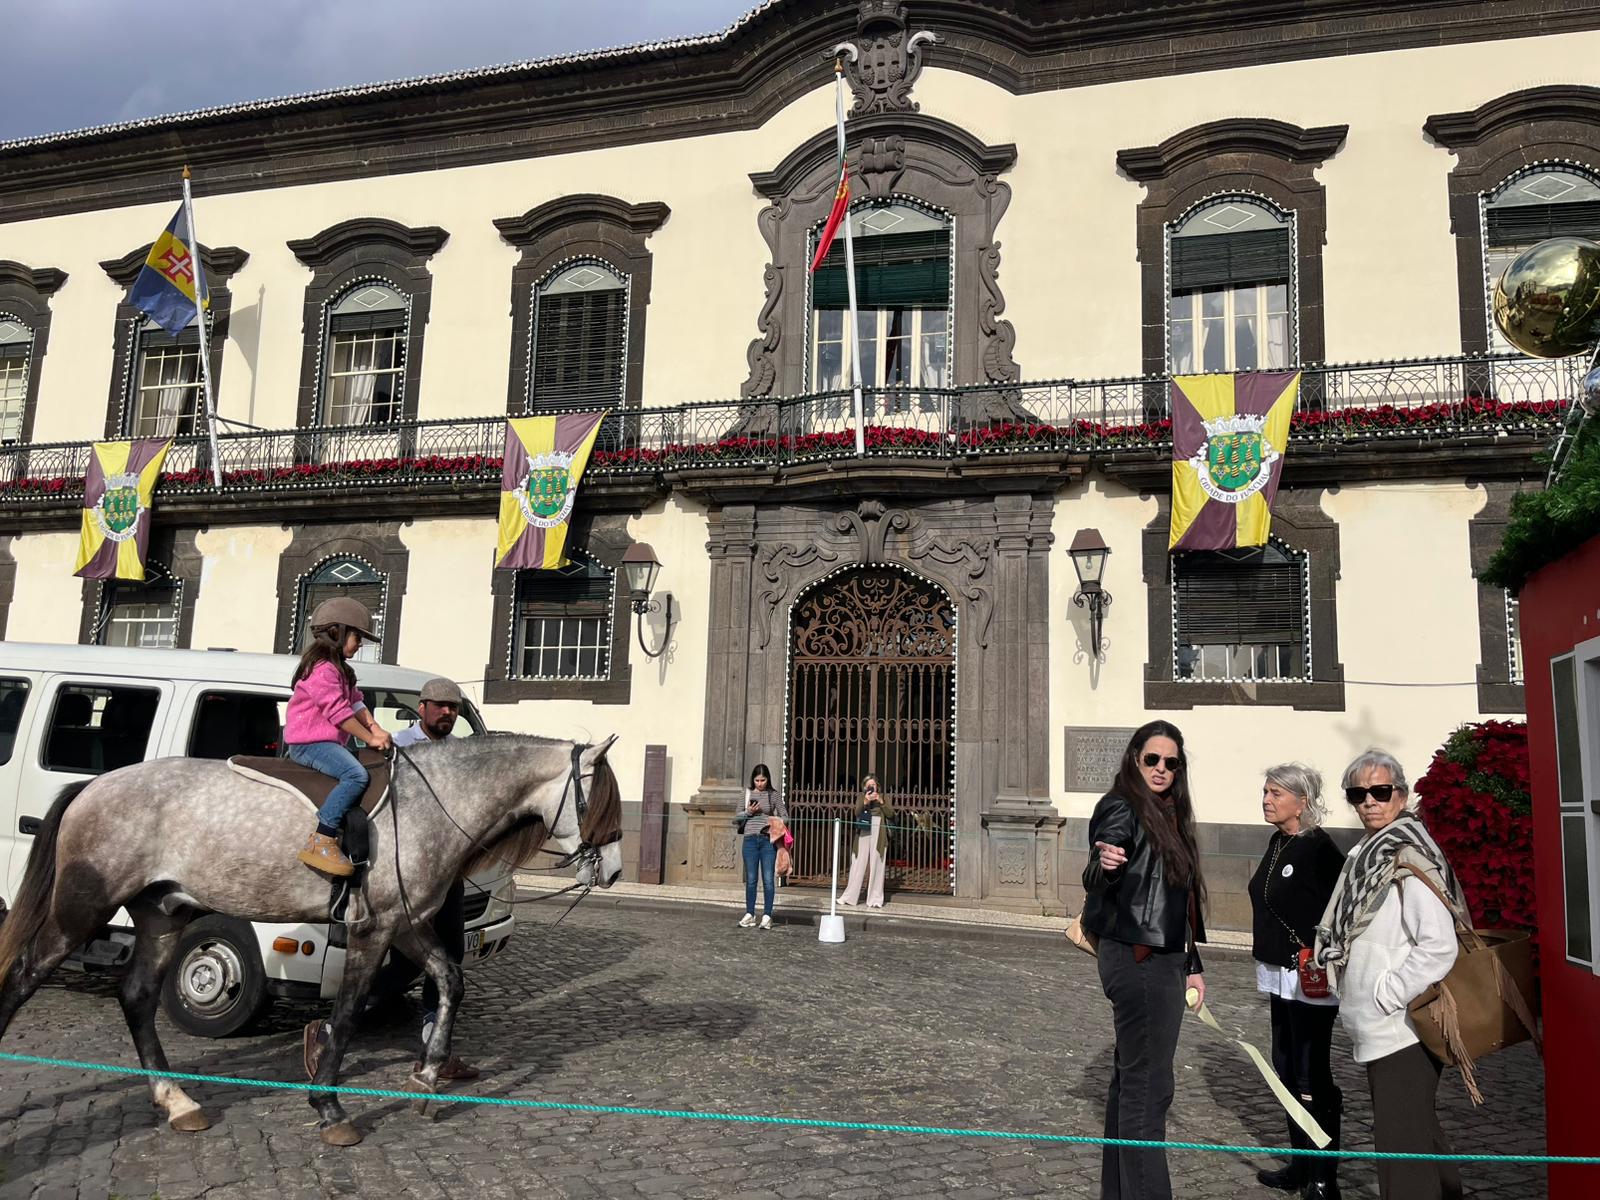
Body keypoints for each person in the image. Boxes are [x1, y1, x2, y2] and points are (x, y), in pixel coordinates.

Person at [303, 677, 479, 1083]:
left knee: (449, 958)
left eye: (454, 708)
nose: (448, 714)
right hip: (404, 876)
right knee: (403, 967)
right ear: (423, 707)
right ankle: (328, 1030)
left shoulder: (460, 755)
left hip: (446, 876)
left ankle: (434, 1050)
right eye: (440, 706)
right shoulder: (397, 747)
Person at [1315, 750, 1465, 1200]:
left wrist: (1385, 995)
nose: (1369, 802)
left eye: (1380, 792)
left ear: (1401, 793)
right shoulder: (1369, 855)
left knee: (1400, 1151)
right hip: (1382, 1025)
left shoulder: (1406, 858)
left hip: (1402, 1028)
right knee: (1417, 1132)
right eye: (1358, 794)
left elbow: (1439, 946)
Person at [1081, 720, 1207, 1200]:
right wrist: (1105, 866)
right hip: (1139, 959)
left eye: (1170, 762)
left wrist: (1192, 962)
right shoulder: (1122, 805)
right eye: (1152, 759)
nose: (1160, 768)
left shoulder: (1171, 813)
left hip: (1164, 958)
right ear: (1135, 758)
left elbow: (1181, 901)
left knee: (1133, 1081)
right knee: (1149, 1090)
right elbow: (1097, 868)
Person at [1249, 764, 1346, 1200]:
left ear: (1301, 801)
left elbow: (1341, 911)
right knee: (1286, 1071)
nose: (1266, 799)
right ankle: (1300, 1165)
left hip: (1309, 976)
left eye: (1275, 793)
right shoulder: (1277, 841)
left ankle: (1324, 1178)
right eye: (1265, 792)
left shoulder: (1319, 849)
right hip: (1277, 972)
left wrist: (1323, 953)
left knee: (1313, 1075)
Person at [285, 597, 391, 876]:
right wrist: (368, 739)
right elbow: (339, 714)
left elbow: (355, 704)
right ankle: (322, 836)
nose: (360, 645)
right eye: (357, 637)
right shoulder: (322, 670)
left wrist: (375, 728)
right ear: (337, 632)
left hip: (327, 742)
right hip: (309, 744)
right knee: (356, 775)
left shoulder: (342, 670)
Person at [737, 763, 786, 930]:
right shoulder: (746, 793)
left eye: (763, 780)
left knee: (768, 880)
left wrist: (772, 821)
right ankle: (750, 913)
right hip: (750, 840)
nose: (760, 783)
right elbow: (735, 818)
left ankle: (767, 915)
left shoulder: (773, 794)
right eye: (757, 780)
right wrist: (748, 813)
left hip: (767, 840)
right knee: (751, 880)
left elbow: (785, 816)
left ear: (768, 779)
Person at [839, 774, 890, 908]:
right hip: (864, 829)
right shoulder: (861, 797)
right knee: (858, 863)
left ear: (877, 786)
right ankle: (850, 897)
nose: (871, 788)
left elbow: (891, 814)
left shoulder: (883, 797)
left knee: (877, 863)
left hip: (879, 830)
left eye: (873, 785)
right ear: (865, 787)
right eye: (868, 786)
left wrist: (881, 801)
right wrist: (866, 802)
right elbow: (856, 812)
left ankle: (875, 899)